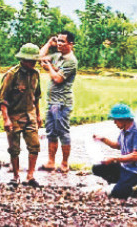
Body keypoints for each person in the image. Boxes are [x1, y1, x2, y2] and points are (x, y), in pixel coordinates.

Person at [0, 43, 43, 187]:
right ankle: (15, 176)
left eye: (35, 60)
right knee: (14, 149)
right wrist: (6, 119)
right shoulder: (12, 75)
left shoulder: (36, 74)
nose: (34, 63)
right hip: (14, 116)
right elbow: (3, 99)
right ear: (23, 60)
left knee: (35, 145)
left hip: (30, 115)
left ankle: (30, 176)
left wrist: (38, 115)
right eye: (31, 60)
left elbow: (36, 97)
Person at [92, 103, 137, 199]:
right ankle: (121, 182)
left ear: (124, 119)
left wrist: (114, 159)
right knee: (97, 168)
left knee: (117, 194)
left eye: (116, 119)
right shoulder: (123, 131)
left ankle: (135, 186)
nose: (114, 122)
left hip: (135, 172)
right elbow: (118, 145)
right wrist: (103, 139)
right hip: (124, 168)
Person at [39, 31, 78, 173]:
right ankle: (51, 161)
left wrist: (49, 67)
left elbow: (58, 79)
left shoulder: (70, 61)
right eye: (58, 41)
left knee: (63, 132)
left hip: (62, 103)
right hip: (52, 101)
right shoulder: (57, 57)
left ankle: (65, 163)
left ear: (71, 44)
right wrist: (49, 43)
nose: (60, 44)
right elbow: (40, 57)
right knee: (51, 132)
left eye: (63, 41)